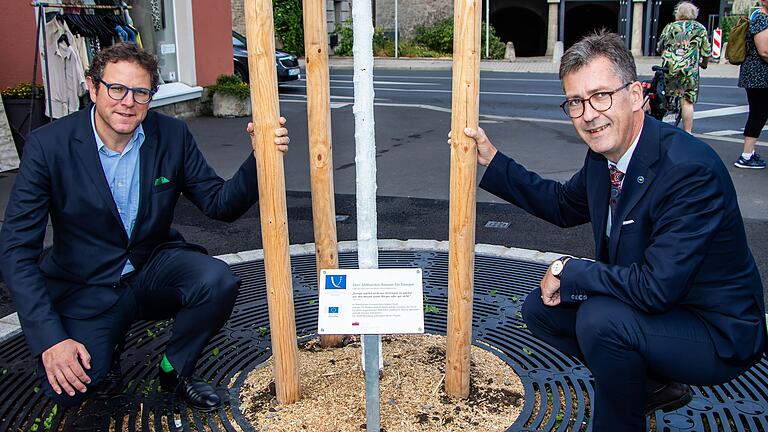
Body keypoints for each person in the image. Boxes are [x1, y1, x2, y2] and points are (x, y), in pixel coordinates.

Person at [457, 31, 765, 431]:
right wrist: (494, 160)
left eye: (601, 95)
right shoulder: (604, 156)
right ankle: (652, 386)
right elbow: (563, 205)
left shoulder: (689, 170)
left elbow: (656, 288)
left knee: (600, 320)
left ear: (636, 95)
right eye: (575, 102)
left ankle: (620, 418)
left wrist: (569, 271)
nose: (588, 113)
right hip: (660, 307)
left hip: (715, 330)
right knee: (541, 309)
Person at [0, 43, 290, 411]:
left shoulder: (171, 135)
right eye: (116, 89)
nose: (128, 102)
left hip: (151, 265)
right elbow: (16, 250)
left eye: (140, 92)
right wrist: (50, 339)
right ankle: (108, 342)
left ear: (152, 96)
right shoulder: (48, 145)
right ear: (93, 88)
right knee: (71, 389)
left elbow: (220, 205)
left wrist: (259, 157)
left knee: (217, 280)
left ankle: (175, 369)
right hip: (86, 282)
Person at [656, 1, 711, 133]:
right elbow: (706, 51)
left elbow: (660, 47)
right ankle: (688, 133)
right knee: (687, 101)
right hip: (689, 68)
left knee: (663, 94)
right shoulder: (700, 28)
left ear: (678, 13)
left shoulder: (670, 27)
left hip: (670, 66)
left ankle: (658, 122)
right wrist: (703, 64)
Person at [735, 0, 768, 169]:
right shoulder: (762, 19)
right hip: (759, 76)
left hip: (757, 75)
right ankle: (746, 155)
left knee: (759, 113)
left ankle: (748, 153)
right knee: (759, 113)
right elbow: (764, 51)